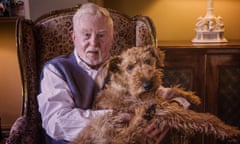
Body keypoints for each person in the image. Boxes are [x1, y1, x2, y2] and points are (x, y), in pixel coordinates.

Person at [38, 3, 187, 144]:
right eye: (86, 35)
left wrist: (174, 108)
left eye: (101, 35)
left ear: (112, 38)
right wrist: (119, 119)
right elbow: (56, 122)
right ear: (74, 37)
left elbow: (166, 94)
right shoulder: (55, 69)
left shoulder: (124, 67)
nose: (94, 43)